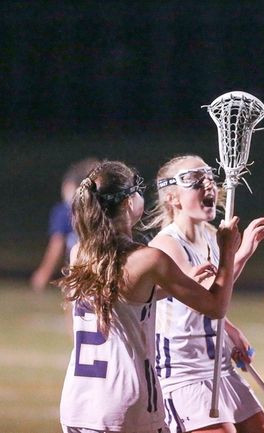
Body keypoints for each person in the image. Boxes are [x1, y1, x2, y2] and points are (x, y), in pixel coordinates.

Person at [57, 160, 242, 433]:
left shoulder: (80, 253)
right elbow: (216, 306)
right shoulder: (149, 259)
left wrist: (178, 283)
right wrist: (227, 251)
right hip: (124, 403)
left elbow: (126, 298)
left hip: (78, 401)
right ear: (130, 202)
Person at [145, 155, 264, 433]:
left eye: (209, 178)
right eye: (194, 180)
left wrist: (227, 329)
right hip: (186, 373)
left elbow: (216, 293)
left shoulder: (211, 234)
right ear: (172, 197)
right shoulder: (167, 245)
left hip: (218, 367)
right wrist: (236, 254)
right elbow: (204, 299)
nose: (208, 185)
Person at [30, 157, 100, 292]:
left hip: (80, 267)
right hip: (105, 266)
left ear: (70, 186)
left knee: (75, 305)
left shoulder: (65, 211)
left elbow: (57, 244)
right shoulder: (105, 209)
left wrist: (44, 272)